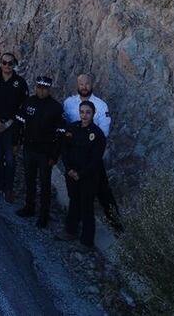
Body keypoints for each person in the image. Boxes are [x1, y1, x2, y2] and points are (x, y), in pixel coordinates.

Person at [63, 74, 122, 230]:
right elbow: (67, 128)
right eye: (81, 84)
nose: (84, 86)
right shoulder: (69, 103)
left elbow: (103, 132)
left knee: (103, 193)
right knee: (74, 195)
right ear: (77, 84)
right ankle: (74, 226)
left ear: (92, 84)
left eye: (87, 84)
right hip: (75, 156)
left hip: (92, 158)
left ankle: (117, 226)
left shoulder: (101, 106)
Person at [15, 76, 64, 228]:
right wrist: (16, 142)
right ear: (36, 87)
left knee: (45, 185)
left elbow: (61, 133)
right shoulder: (29, 102)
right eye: (39, 87)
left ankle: (43, 216)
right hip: (29, 149)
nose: (41, 90)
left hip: (45, 153)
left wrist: (54, 156)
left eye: (44, 88)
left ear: (49, 89)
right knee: (29, 180)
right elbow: (19, 122)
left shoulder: (56, 107)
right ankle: (29, 207)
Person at [57, 100, 106, 248]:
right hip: (71, 174)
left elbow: (95, 159)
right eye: (82, 112)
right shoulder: (72, 128)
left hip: (88, 177)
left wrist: (81, 174)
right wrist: (69, 169)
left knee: (87, 207)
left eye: (88, 112)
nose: (84, 115)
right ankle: (70, 231)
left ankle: (87, 240)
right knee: (74, 202)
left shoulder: (97, 134)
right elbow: (64, 150)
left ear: (93, 114)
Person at [0, 52, 28, 202]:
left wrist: (9, 123)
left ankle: (8, 188)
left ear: (14, 64)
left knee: (10, 158)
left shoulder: (21, 83)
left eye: (10, 63)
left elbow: (23, 107)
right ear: (0, 63)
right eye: (4, 62)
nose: (7, 66)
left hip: (12, 126)